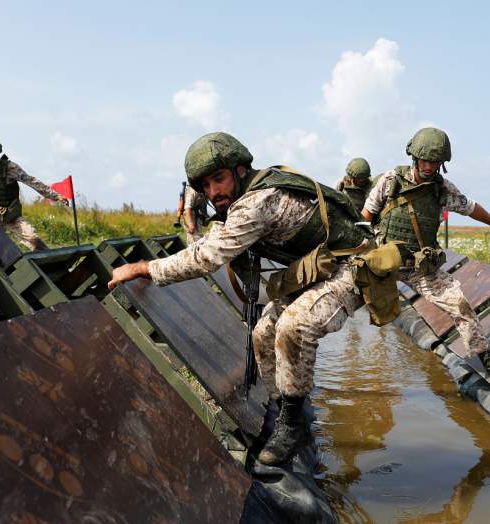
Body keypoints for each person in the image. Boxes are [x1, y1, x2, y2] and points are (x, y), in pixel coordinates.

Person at [108, 132, 376, 466]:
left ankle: (292, 427)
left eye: (218, 179)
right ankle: (286, 411)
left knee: (294, 327)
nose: (213, 192)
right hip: (317, 269)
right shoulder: (239, 202)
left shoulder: (258, 202)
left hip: (351, 268)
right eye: (205, 186)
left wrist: (143, 267)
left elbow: (205, 257)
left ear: (239, 171)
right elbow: (207, 243)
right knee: (263, 335)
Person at [361, 127, 490, 375]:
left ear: (441, 163)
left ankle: (487, 358)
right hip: (381, 261)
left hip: (418, 267)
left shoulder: (441, 189)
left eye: (435, 162)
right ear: (414, 157)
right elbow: (365, 217)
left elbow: (470, 207)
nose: (428, 166)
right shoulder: (391, 182)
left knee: (459, 303)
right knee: (336, 301)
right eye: (424, 160)